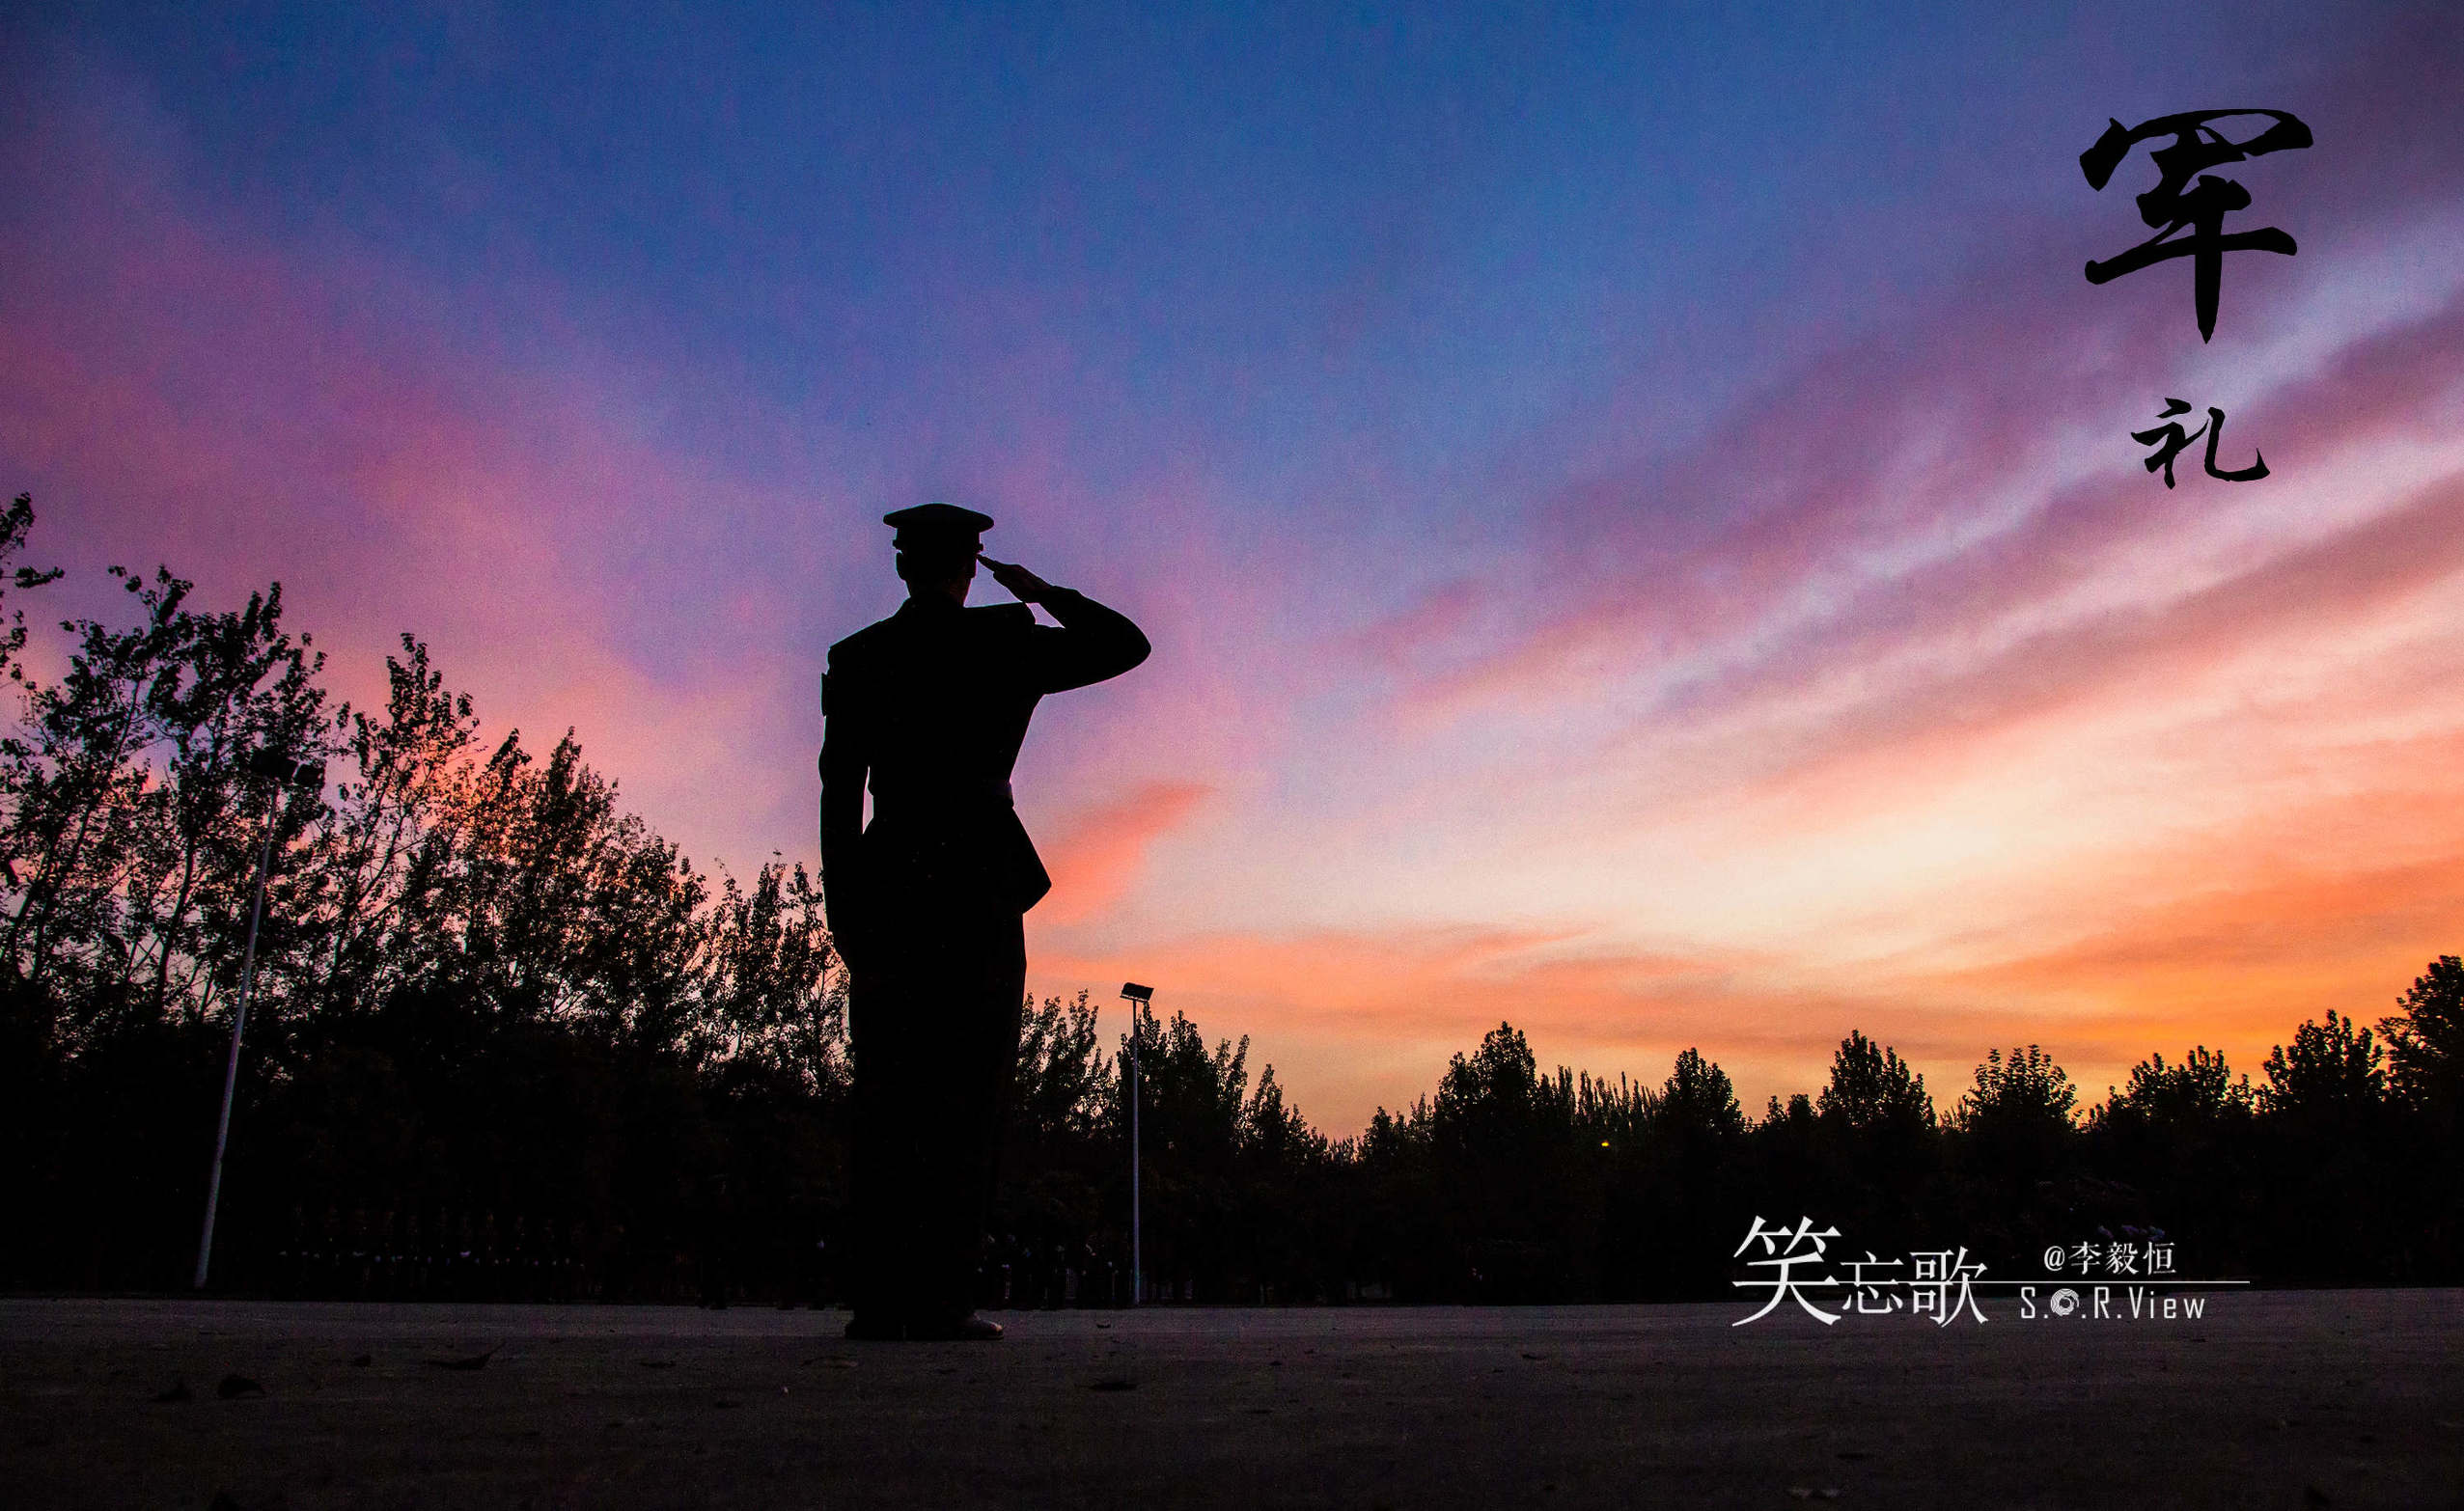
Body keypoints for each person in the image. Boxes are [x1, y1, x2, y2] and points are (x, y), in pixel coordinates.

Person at [819, 502, 1149, 1340]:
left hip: (890, 874)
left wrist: (841, 898)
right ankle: (942, 1299)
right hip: (974, 876)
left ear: (901, 567)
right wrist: (1041, 592)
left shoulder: (860, 657)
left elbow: (839, 790)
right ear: (972, 568)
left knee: (889, 1089)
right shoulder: (1003, 641)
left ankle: (882, 1301)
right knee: (969, 1090)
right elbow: (1125, 646)